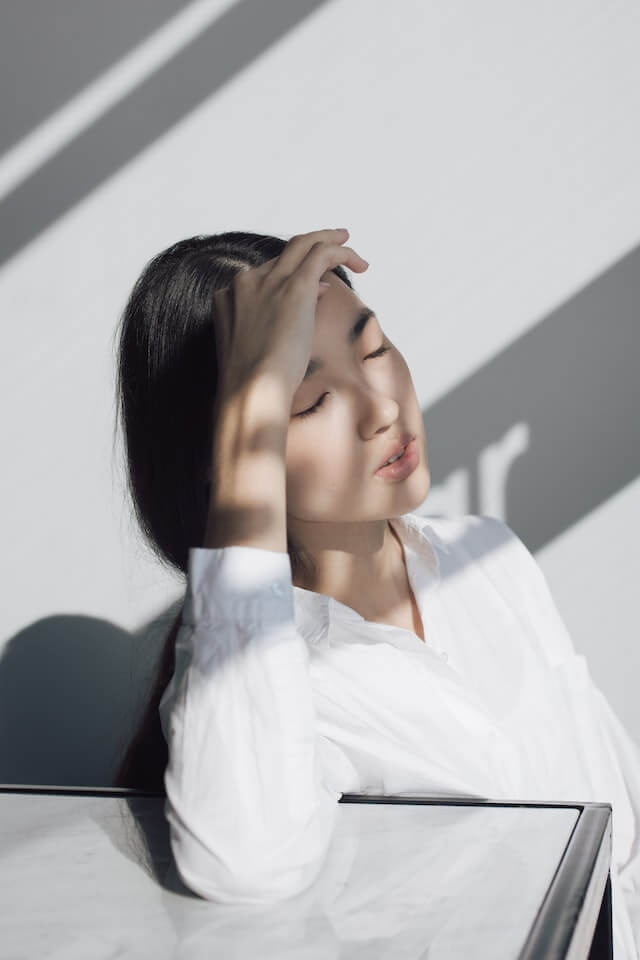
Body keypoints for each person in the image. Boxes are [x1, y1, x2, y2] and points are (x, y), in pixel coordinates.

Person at [114, 228, 640, 956]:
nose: (381, 408)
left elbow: (619, 824)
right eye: (308, 401)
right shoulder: (264, 679)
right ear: (234, 453)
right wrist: (248, 418)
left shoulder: (490, 559)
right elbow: (247, 862)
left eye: (374, 349)